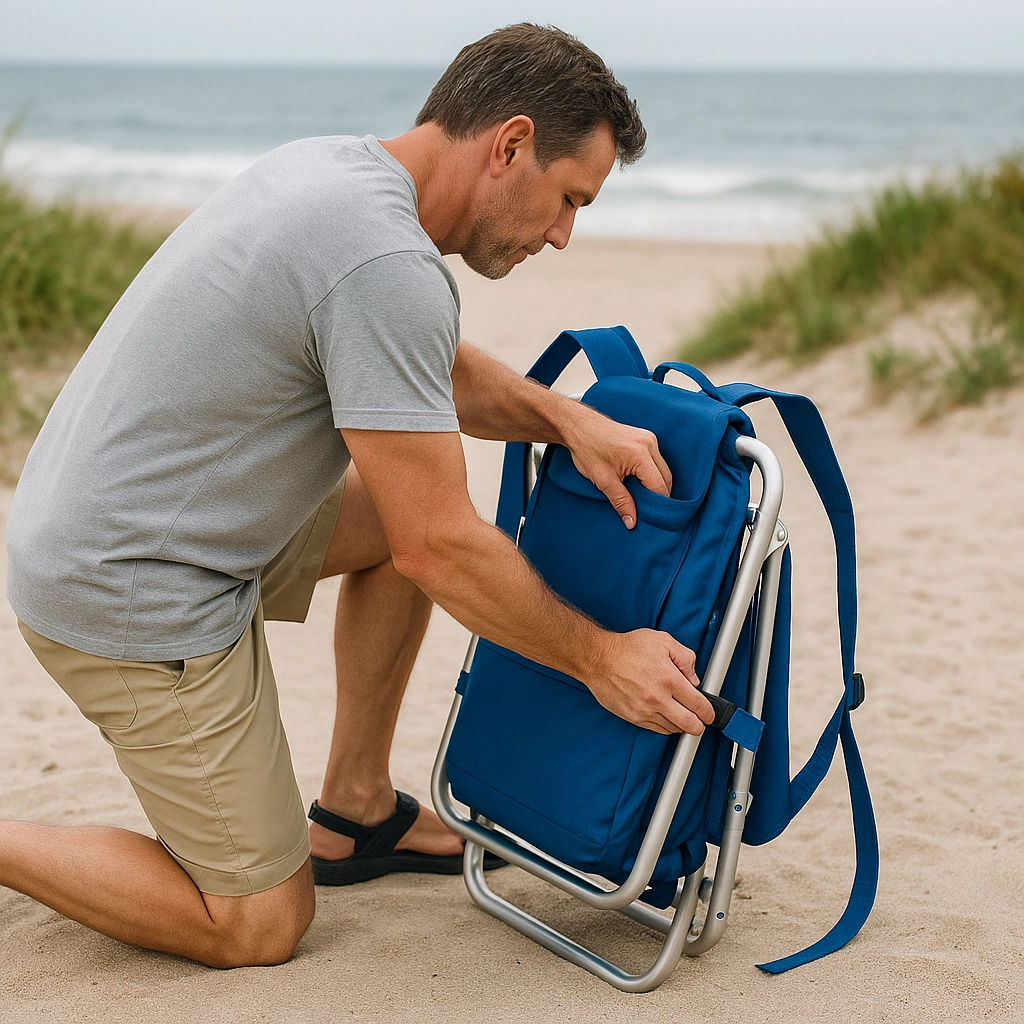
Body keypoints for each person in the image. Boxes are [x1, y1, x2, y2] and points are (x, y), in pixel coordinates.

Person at [1, 23, 714, 969]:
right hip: (127, 586)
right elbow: (442, 547)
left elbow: (413, 368)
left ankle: (356, 808)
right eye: (567, 199)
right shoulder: (384, 263)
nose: (562, 234)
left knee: (385, 518)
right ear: (508, 144)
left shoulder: (340, 175)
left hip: (129, 519)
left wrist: (565, 420)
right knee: (257, 924)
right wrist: (601, 658)